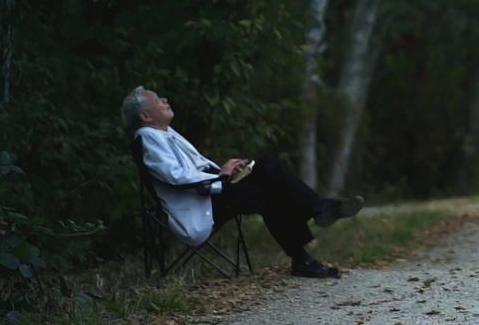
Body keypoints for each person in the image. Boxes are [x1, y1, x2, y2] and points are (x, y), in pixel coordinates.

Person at [122, 86, 362, 278]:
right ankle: (317, 217)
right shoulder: (147, 138)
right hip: (201, 204)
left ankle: (312, 233)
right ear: (145, 116)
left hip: (213, 191)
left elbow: (193, 168)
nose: (164, 99)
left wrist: (228, 171)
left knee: (269, 175)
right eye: (157, 101)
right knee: (271, 181)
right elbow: (176, 176)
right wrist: (223, 176)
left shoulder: (164, 133)